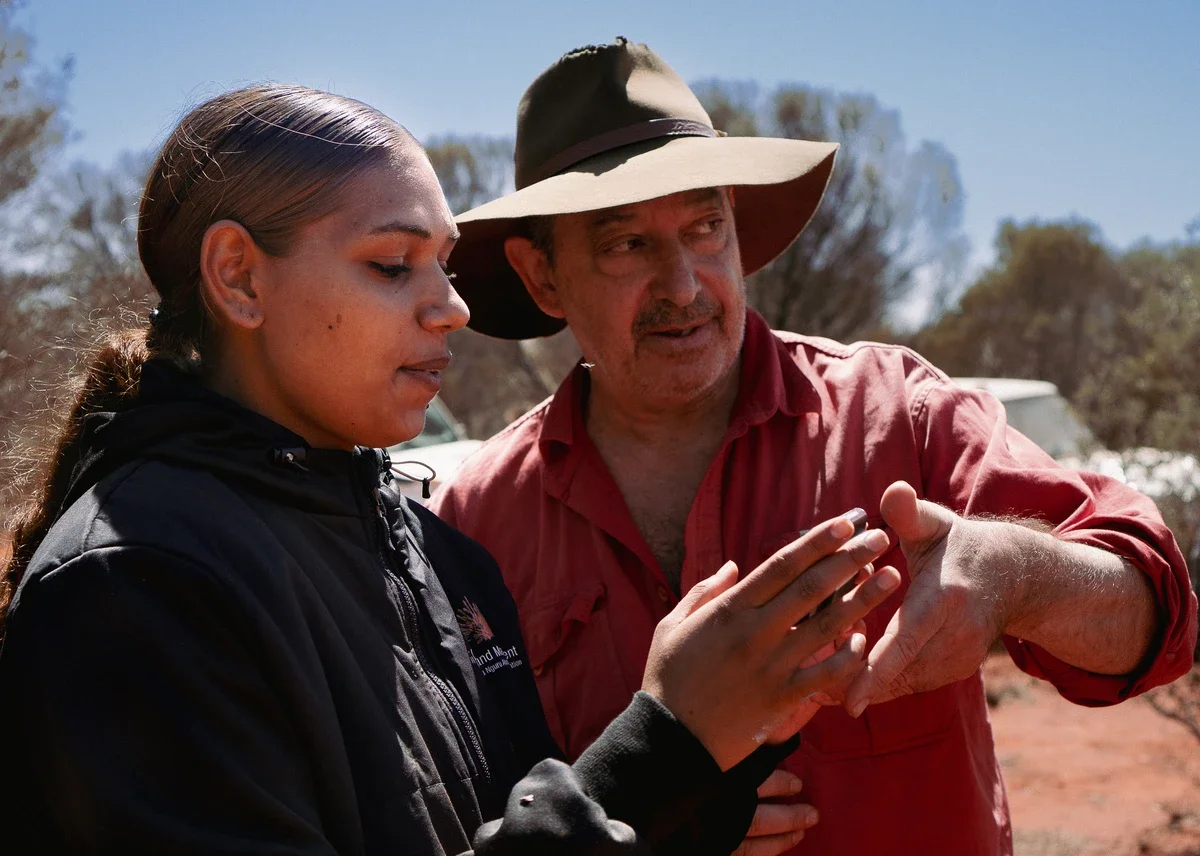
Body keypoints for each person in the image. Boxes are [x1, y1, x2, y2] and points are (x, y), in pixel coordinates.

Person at [0, 84, 903, 855]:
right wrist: (665, 741)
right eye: (393, 266)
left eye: (445, 265)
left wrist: (688, 792)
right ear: (239, 277)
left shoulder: (437, 554)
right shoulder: (136, 585)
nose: (453, 309)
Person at [431, 38, 1200, 856]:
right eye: (627, 245)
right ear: (541, 275)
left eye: (704, 227)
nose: (685, 285)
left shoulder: (896, 413)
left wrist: (1016, 574)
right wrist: (644, 805)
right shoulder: (478, 518)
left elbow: (1158, 618)